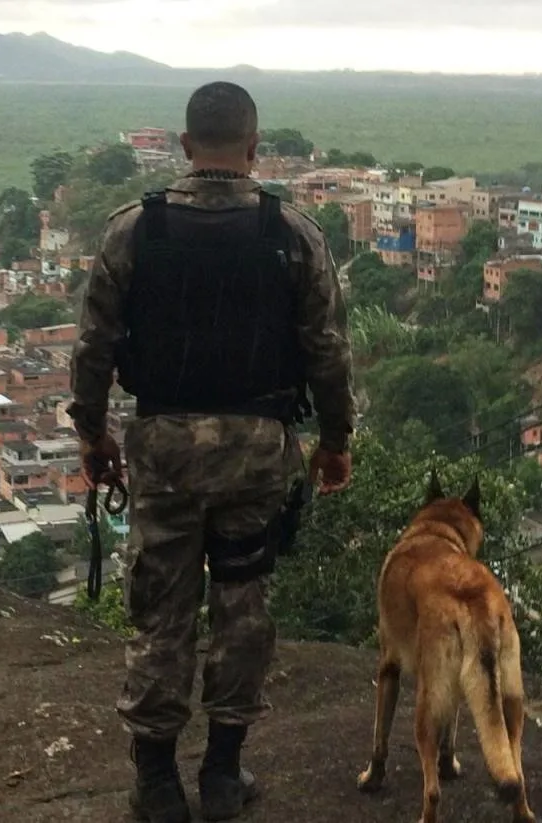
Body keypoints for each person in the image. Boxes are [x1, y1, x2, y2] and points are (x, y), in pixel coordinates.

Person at [68, 81, 356, 823]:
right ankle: (224, 774)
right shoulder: (293, 232)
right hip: (257, 450)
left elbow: (94, 343)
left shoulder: (135, 230)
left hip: (163, 449)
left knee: (160, 612)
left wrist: (92, 431)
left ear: (186, 146)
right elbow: (327, 350)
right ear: (254, 150)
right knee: (242, 606)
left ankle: (158, 782)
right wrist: (334, 442)